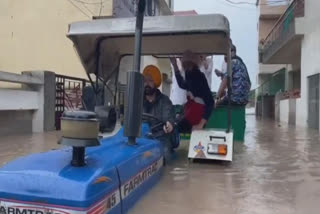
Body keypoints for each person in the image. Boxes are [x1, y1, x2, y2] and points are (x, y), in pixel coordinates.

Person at [170, 51, 214, 133]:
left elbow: (210, 102)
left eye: (187, 64)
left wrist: (201, 124)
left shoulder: (198, 76)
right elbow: (182, 84)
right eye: (184, 64)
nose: (185, 66)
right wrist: (175, 65)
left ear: (193, 64)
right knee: (174, 124)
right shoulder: (189, 73)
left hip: (197, 116)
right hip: (191, 112)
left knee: (175, 127)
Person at [142, 65, 176, 158]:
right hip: (141, 138)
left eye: (150, 80)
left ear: (156, 82)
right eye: (145, 81)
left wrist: (169, 124)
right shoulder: (137, 100)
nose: (147, 84)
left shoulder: (165, 101)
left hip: (159, 137)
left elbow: (169, 117)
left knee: (165, 154)